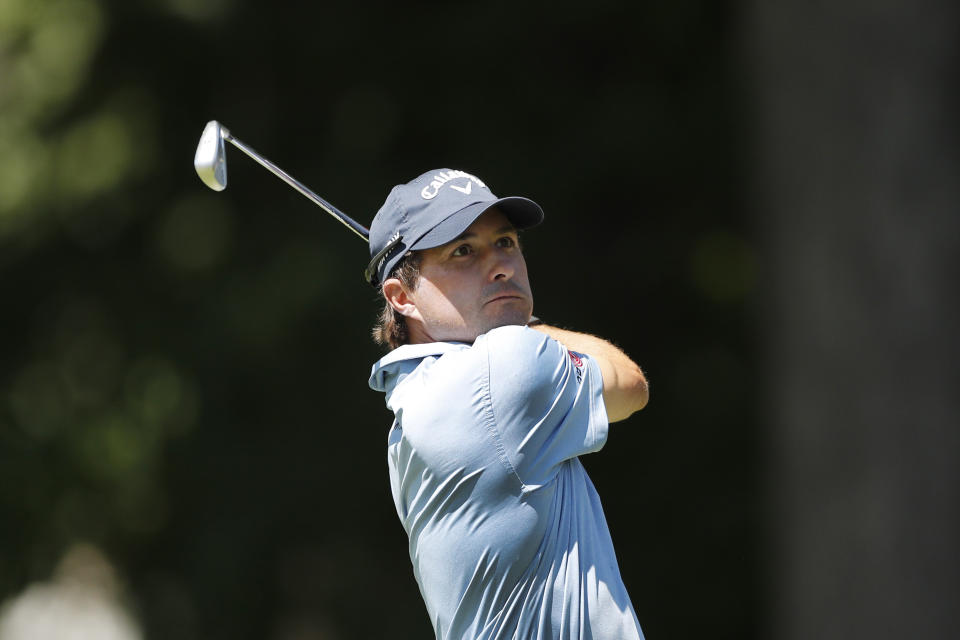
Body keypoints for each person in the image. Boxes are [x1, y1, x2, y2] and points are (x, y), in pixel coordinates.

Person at [366, 168, 649, 640]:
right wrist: (524, 325)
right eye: (462, 251)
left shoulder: (412, 401)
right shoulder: (506, 367)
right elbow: (631, 385)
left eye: (506, 242)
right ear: (402, 296)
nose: (501, 267)